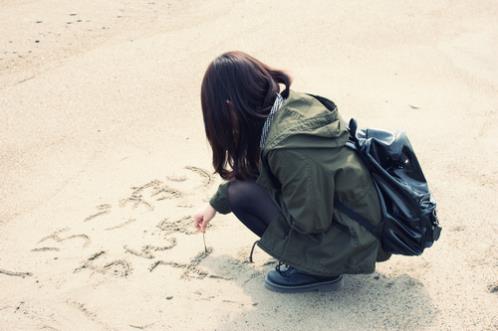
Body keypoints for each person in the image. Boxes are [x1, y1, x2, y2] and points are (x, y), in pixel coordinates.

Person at [192, 50, 391, 293]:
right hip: (362, 224)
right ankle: (312, 259)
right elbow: (258, 169)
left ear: (229, 107)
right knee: (240, 189)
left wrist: (275, 189)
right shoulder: (290, 106)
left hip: (354, 240)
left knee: (242, 195)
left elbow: (311, 221)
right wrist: (213, 205)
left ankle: (317, 271)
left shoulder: (287, 147)